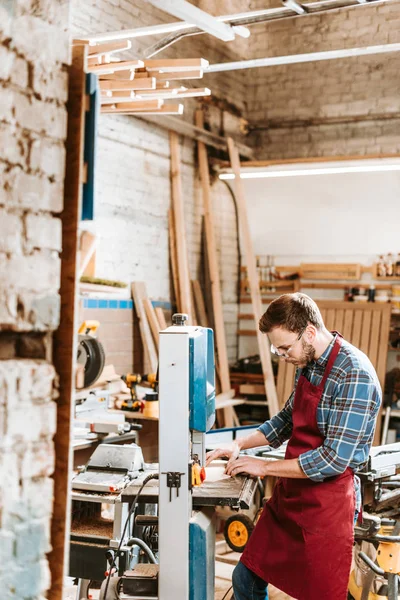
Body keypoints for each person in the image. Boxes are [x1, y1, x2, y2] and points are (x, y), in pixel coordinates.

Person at [206, 293, 381, 600]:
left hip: (327, 505)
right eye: (277, 350)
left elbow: (332, 460)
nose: (283, 356)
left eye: (285, 348)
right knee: (245, 577)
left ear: (310, 332)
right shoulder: (309, 360)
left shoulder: (355, 374)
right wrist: (239, 443)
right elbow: (287, 419)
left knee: (320, 595)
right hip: (292, 497)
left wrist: (263, 466)